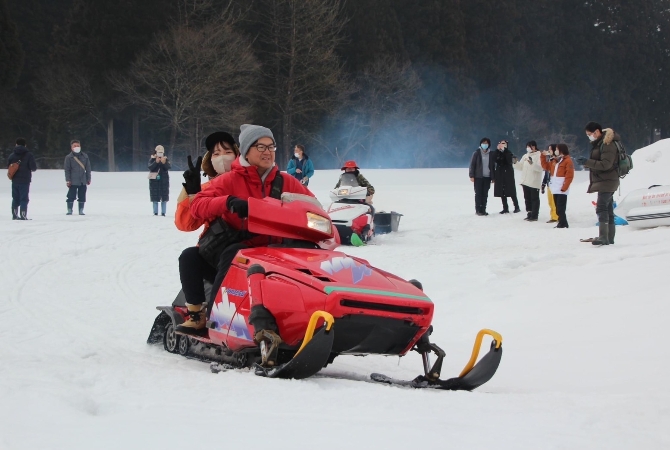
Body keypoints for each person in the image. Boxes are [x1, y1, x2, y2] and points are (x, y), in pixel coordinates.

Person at [181, 124, 313, 338]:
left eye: (271, 146)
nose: (267, 151)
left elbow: (313, 207)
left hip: (280, 251)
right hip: (243, 251)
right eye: (260, 146)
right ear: (245, 151)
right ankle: (212, 316)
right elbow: (197, 207)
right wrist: (228, 202)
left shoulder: (287, 182)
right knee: (217, 255)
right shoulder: (229, 180)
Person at [175, 132, 240, 316]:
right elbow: (185, 224)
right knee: (188, 257)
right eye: (216, 154)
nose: (222, 158)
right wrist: (191, 193)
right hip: (215, 252)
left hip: (245, 252)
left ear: (237, 155)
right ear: (209, 160)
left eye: (227, 151)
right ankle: (196, 314)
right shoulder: (205, 189)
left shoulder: (250, 183)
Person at [574, 123, 621, 246]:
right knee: (608, 208)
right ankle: (609, 237)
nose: (589, 137)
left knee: (601, 207)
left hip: (608, 180)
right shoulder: (601, 143)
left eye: (589, 134)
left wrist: (587, 162)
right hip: (606, 180)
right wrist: (587, 162)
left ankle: (603, 237)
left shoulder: (607, 144)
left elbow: (606, 164)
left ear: (596, 132)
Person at [541, 143, 574, 228]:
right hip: (555, 187)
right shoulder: (555, 160)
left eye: (557, 149)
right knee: (557, 206)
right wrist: (543, 156)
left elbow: (569, 175)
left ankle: (563, 223)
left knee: (561, 207)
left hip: (562, 187)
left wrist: (565, 187)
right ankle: (562, 222)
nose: (556, 151)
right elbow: (546, 166)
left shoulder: (568, 160)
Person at [513, 141, 544, 221]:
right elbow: (521, 167)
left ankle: (535, 215)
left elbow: (540, 168)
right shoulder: (525, 156)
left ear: (534, 147)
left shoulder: (539, 155)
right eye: (527, 146)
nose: (528, 148)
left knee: (534, 199)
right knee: (527, 198)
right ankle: (529, 213)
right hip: (525, 180)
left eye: (530, 146)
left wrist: (532, 163)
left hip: (534, 181)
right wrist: (515, 162)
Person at [7, 138, 37, 220]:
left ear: (16, 144)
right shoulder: (29, 155)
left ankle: (14, 215)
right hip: (25, 180)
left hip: (15, 180)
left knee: (15, 197)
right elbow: (33, 168)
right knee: (24, 198)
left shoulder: (12, 155)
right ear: (25, 145)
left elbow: (9, 167)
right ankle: (23, 215)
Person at [64, 140, 91, 215]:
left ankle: (81, 210)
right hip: (73, 180)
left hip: (83, 180)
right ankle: (69, 210)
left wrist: (88, 179)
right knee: (71, 196)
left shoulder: (85, 156)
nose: (76, 147)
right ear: (71, 147)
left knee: (82, 195)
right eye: (74, 146)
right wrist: (68, 180)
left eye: (78, 145)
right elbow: (67, 170)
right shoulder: (69, 157)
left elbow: (88, 169)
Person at [469, 138, 495, 216]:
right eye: (483, 143)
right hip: (478, 177)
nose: (485, 144)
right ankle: (478, 210)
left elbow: (492, 166)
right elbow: (472, 165)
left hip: (487, 177)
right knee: (478, 193)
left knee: (485, 194)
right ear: (480, 144)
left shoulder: (491, 154)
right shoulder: (476, 153)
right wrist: (471, 175)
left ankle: (483, 209)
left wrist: (493, 177)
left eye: (486, 143)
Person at [494, 140, 520, 214]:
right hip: (500, 173)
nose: (501, 145)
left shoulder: (509, 152)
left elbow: (509, 160)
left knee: (511, 190)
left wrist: (504, 150)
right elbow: (495, 159)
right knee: (502, 190)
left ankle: (516, 206)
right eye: (500, 143)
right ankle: (505, 208)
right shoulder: (498, 152)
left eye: (503, 143)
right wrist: (497, 150)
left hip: (508, 173)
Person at [148, 145, 171, 216]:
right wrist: (156, 162)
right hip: (154, 181)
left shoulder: (165, 159)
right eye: (159, 152)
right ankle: (155, 212)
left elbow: (168, 167)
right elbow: (150, 167)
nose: (160, 154)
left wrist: (164, 163)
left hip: (164, 181)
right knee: (155, 196)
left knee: (164, 196)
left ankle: (163, 212)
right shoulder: (152, 159)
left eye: (161, 153)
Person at [543, 144, 560, 224]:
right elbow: (546, 171)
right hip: (549, 183)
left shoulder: (557, 159)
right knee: (550, 201)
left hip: (554, 183)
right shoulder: (550, 159)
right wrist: (543, 183)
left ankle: (556, 216)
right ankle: (553, 215)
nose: (548, 150)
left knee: (554, 201)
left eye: (550, 149)